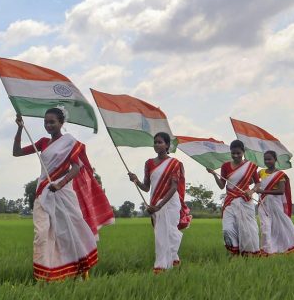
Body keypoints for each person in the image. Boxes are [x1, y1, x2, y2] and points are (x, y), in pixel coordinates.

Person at [13, 107, 114, 281]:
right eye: (46, 122)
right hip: (43, 193)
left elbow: (76, 168)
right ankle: (44, 276)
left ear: (61, 123)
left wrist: (60, 184)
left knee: (70, 232)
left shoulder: (70, 143)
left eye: (52, 122)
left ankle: (82, 270)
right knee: (42, 234)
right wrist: (20, 128)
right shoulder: (43, 142)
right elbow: (17, 152)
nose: (48, 125)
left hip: (63, 193)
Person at [128, 132, 191, 273]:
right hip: (155, 203)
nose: (156, 144)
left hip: (169, 203)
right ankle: (169, 262)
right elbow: (146, 187)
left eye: (160, 142)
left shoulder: (174, 163)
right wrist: (136, 180)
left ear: (167, 145)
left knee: (170, 233)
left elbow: (174, 187)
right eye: (155, 142)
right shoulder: (149, 163)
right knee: (160, 235)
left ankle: (162, 266)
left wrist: (159, 206)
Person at [207, 140, 260, 256]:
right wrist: (214, 174)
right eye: (233, 153)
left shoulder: (250, 166)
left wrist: (251, 191)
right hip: (230, 202)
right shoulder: (225, 166)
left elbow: (257, 183)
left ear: (243, 152)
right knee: (227, 229)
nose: (236, 156)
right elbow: (222, 186)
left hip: (245, 201)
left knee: (247, 231)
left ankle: (248, 254)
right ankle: (234, 252)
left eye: (238, 153)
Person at [254, 150, 294, 254]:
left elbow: (281, 191)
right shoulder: (261, 172)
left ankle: (289, 245)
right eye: (265, 159)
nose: (267, 161)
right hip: (263, 204)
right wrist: (250, 169)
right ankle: (266, 251)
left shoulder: (280, 175)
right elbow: (251, 180)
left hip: (275, 204)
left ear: (275, 160)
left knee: (281, 226)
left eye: (269, 159)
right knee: (265, 227)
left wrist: (263, 191)